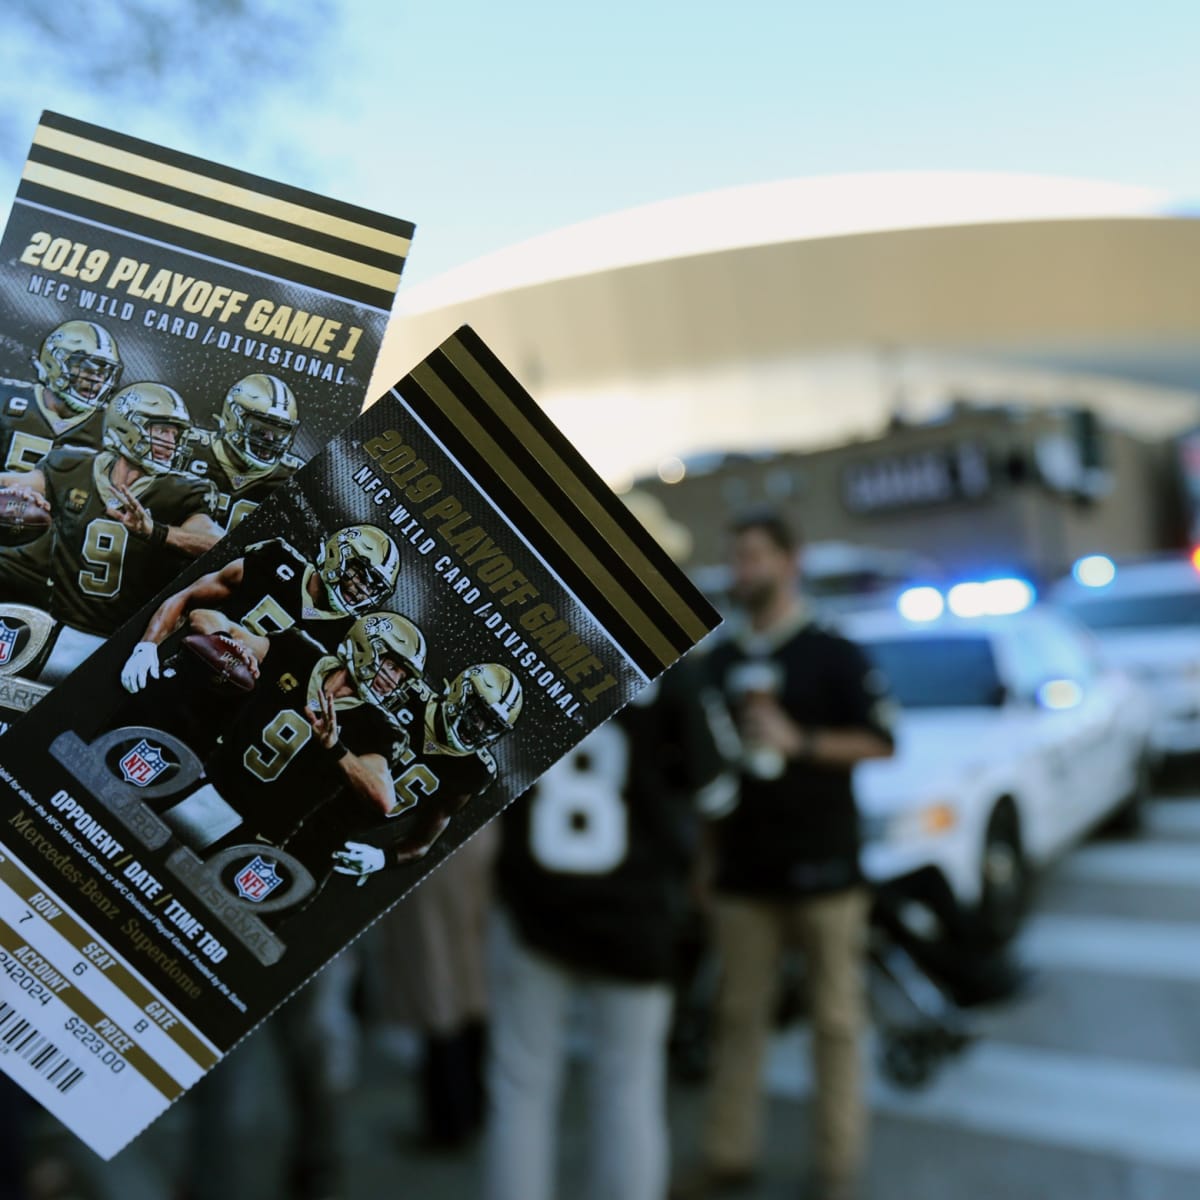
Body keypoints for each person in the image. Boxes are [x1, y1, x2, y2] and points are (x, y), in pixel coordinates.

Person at [483, 493, 732, 1200]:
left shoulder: (524, 644)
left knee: (521, 1088)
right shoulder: (678, 669)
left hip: (535, 900)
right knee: (628, 1087)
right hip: (636, 907)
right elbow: (717, 792)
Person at [676, 509, 896, 1200]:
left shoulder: (833, 651)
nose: (741, 571)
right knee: (738, 1017)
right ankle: (728, 1155)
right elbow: (704, 776)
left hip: (828, 868)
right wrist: (705, 861)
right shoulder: (718, 661)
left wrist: (800, 742)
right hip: (744, 871)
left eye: (754, 556)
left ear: (790, 561)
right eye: (735, 558)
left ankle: (838, 1168)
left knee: (836, 1022)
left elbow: (882, 741)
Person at [0, 381, 222, 635]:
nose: (170, 442)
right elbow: (12, 483)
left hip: (128, 637)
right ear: (126, 425)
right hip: (62, 625)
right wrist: (17, 493)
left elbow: (220, 545)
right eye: (161, 431)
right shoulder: (72, 466)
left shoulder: (181, 491)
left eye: (175, 434)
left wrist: (156, 532)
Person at [119, 523, 403, 692]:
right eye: (359, 574)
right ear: (337, 555)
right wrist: (147, 646)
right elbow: (189, 598)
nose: (363, 589)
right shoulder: (275, 562)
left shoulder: (346, 638)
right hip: (189, 674)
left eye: (374, 586)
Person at [182, 373, 302, 531]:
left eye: (279, 433)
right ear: (232, 418)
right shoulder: (188, 448)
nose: (270, 440)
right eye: (260, 430)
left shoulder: (292, 476)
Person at [0, 319, 123, 472]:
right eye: (86, 368)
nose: (96, 380)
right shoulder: (5, 398)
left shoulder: (112, 428)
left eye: (103, 373)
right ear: (54, 363)